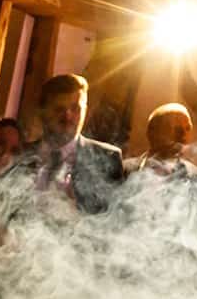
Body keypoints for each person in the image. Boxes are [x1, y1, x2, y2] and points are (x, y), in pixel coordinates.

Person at [27, 73, 124, 214]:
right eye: (59, 109)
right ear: (42, 113)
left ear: (86, 111)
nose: (68, 116)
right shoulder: (20, 154)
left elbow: (114, 217)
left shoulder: (107, 157)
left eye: (75, 108)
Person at [123, 102, 197, 179]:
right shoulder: (125, 169)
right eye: (176, 128)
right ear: (153, 132)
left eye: (188, 128)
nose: (183, 134)